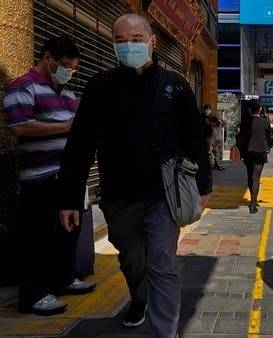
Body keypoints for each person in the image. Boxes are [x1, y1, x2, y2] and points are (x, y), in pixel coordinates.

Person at [58, 14, 211, 338]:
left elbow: (194, 136)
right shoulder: (101, 87)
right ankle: (139, 298)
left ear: (152, 42)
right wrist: (69, 198)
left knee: (162, 262)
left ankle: (165, 333)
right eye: (121, 41)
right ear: (113, 45)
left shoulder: (175, 85)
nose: (129, 47)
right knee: (130, 258)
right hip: (118, 196)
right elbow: (80, 144)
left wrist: (202, 185)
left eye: (137, 40)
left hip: (163, 195)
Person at [3, 36, 96, 316]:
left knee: (67, 232)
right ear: (47, 58)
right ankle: (33, 295)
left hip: (68, 176)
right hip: (40, 177)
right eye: (65, 65)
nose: (69, 72)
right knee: (38, 236)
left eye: (74, 68)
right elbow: (20, 127)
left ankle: (64, 279)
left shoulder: (67, 94)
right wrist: (66, 126)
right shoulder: (23, 87)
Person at [238, 99, 271, 214]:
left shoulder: (246, 122)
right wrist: (268, 148)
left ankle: (252, 199)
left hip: (248, 152)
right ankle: (253, 204)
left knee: (250, 175)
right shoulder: (265, 121)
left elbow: (241, 138)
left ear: (249, 109)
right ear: (260, 109)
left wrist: (241, 152)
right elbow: (269, 137)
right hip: (261, 152)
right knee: (256, 178)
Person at [206, 105, 226, 171]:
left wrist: (218, 118)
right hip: (218, 140)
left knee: (214, 153)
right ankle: (217, 165)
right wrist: (220, 119)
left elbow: (225, 123)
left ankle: (214, 165)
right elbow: (225, 123)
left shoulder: (213, 125)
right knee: (216, 154)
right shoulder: (219, 125)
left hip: (214, 140)